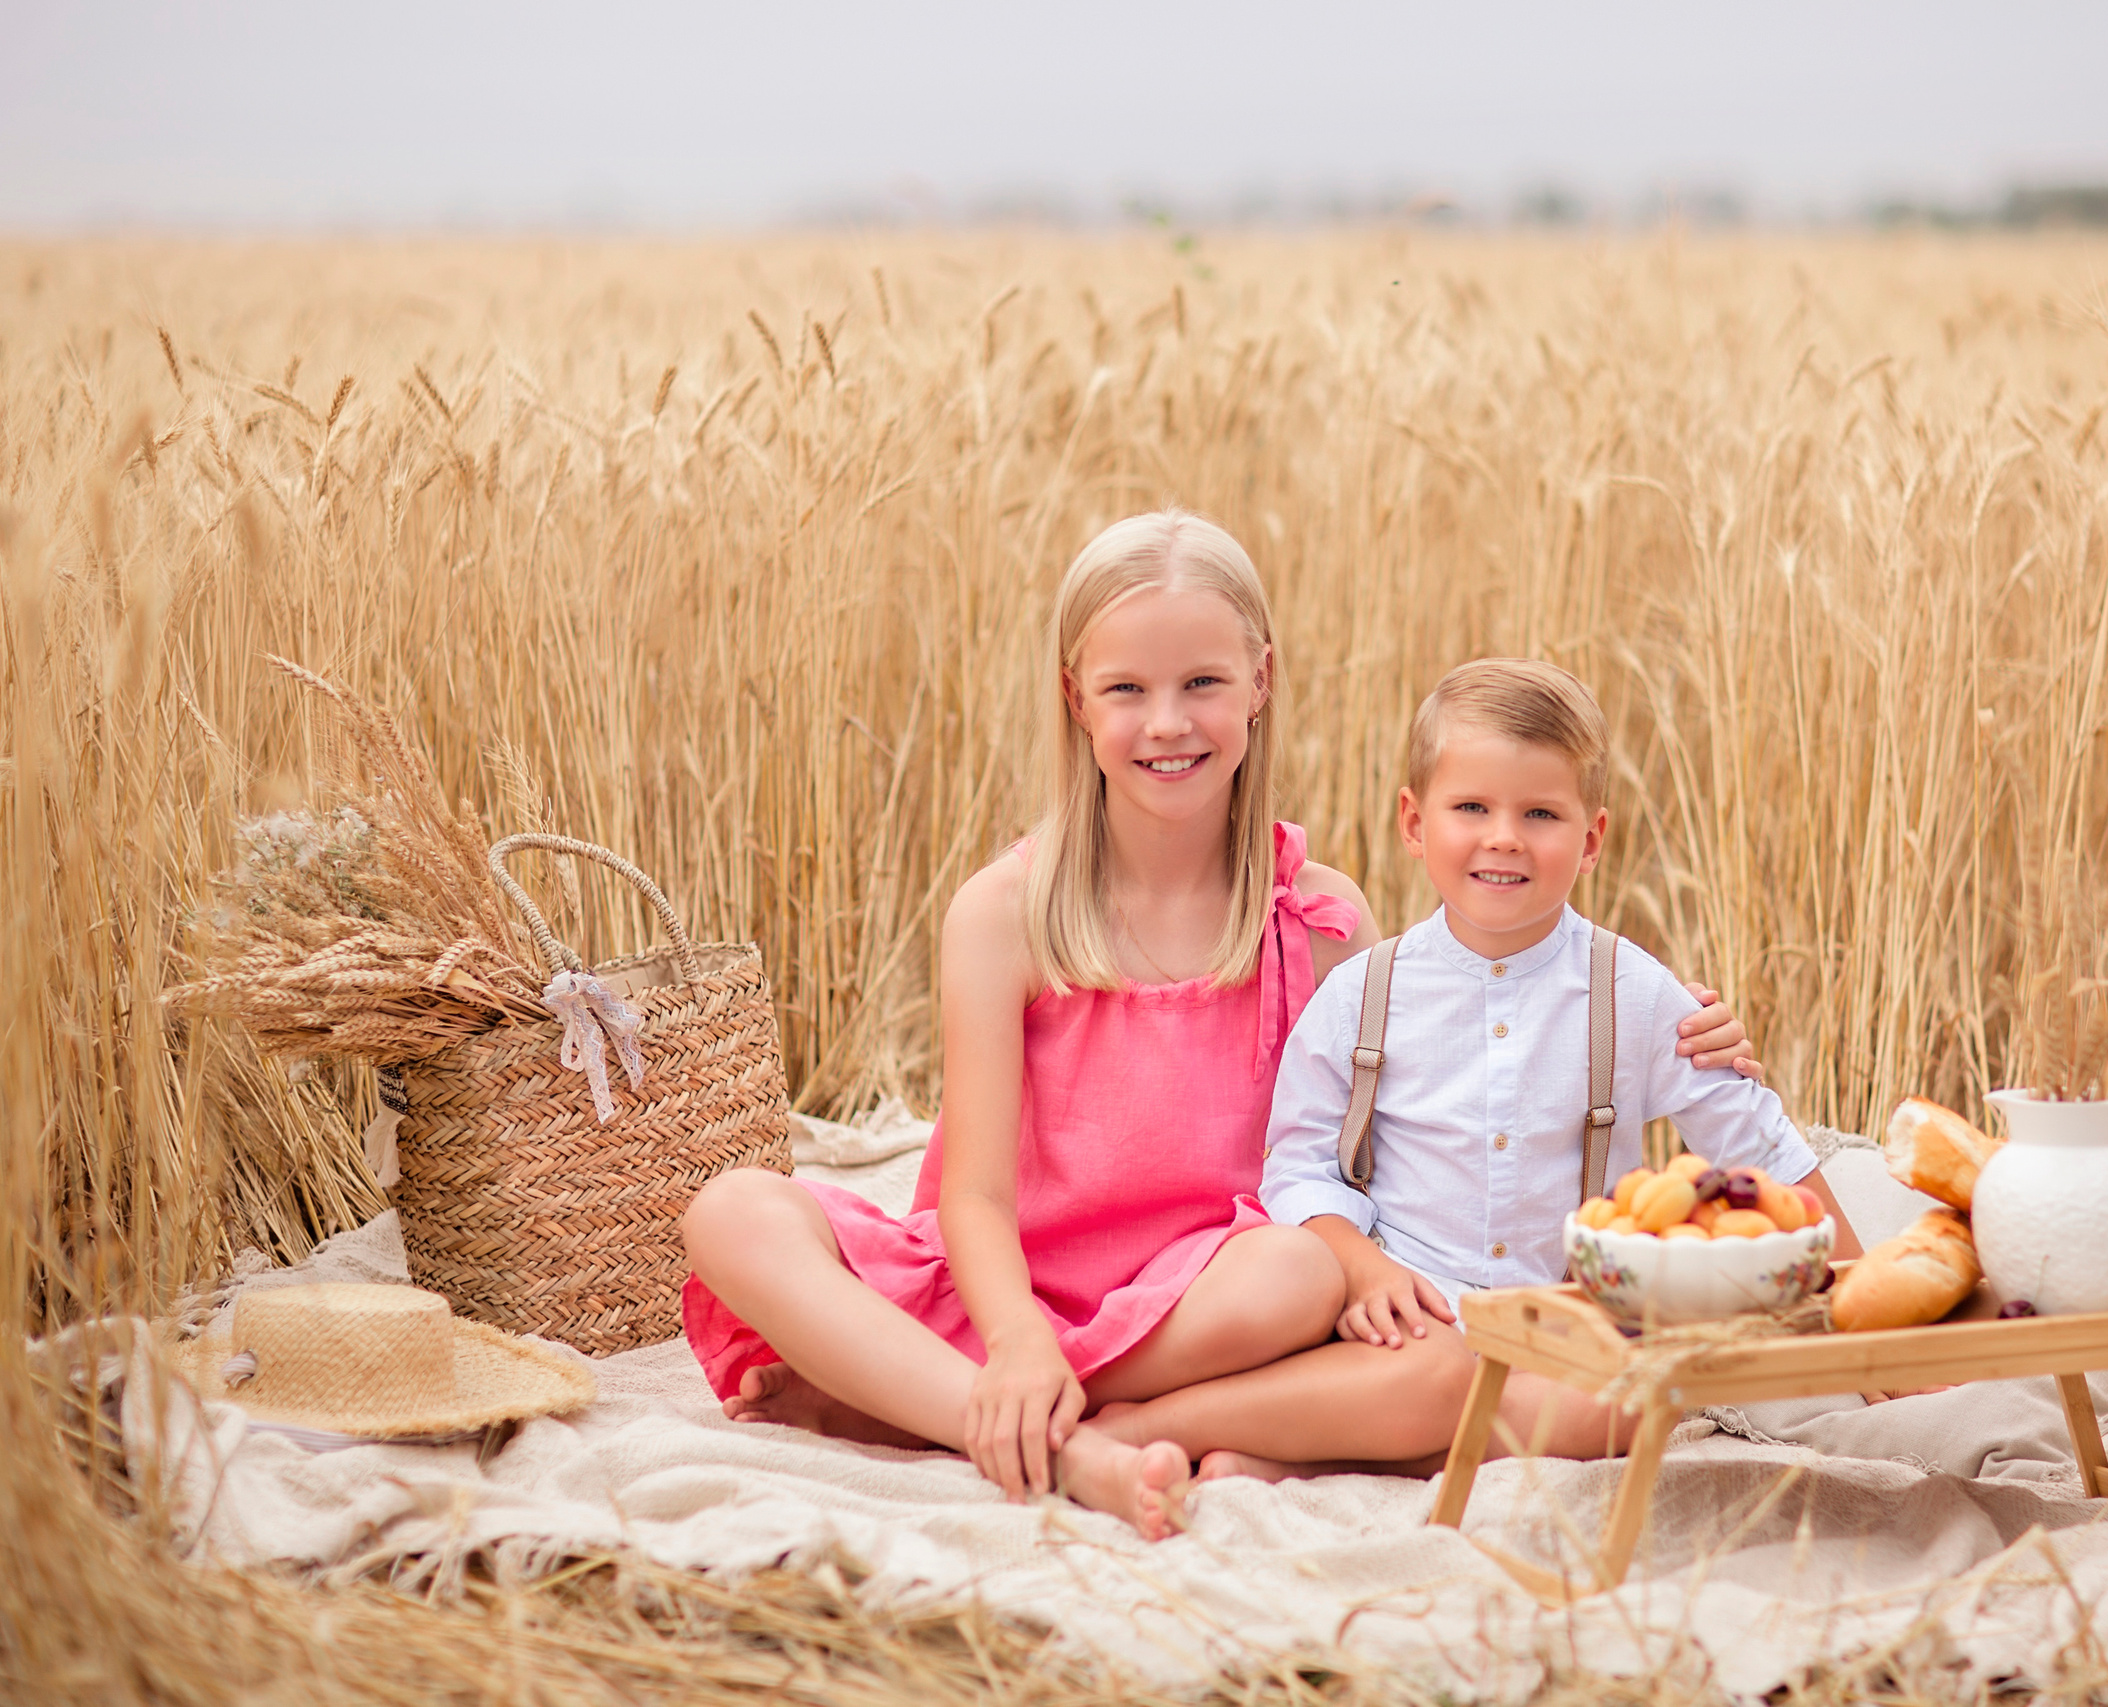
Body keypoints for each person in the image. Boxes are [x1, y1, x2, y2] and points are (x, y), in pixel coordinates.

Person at [681, 516, 1762, 1538]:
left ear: (1261, 683)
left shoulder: (1324, 923)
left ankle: (925, 1405)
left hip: (1226, 1307)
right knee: (732, 1211)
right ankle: (1030, 1422)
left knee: (1312, 1274)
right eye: (1127, 689)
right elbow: (968, 1191)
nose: (1167, 722)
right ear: (1075, 699)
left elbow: (1411, 1128)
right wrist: (1014, 1341)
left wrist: (1677, 1037)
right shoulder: (1004, 913)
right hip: (1011, 1287)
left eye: (1202, 682)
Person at [1090, 659, 1862, 1481]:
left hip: (1558, 1326)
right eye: (1471, 808)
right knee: (1431, 1372)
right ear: (1415, 824)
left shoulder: (1631, 992)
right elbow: (1300, 1165)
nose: (1504, 836)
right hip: (1405, 1311)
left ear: (1592, 838)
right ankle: (1147, 1424)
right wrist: (1364, 1267)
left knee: (1623, 1406)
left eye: (1540, 812)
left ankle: (1297, 1450)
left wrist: (1862, 1306)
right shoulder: (1363, 993)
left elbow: (1760, 1145)